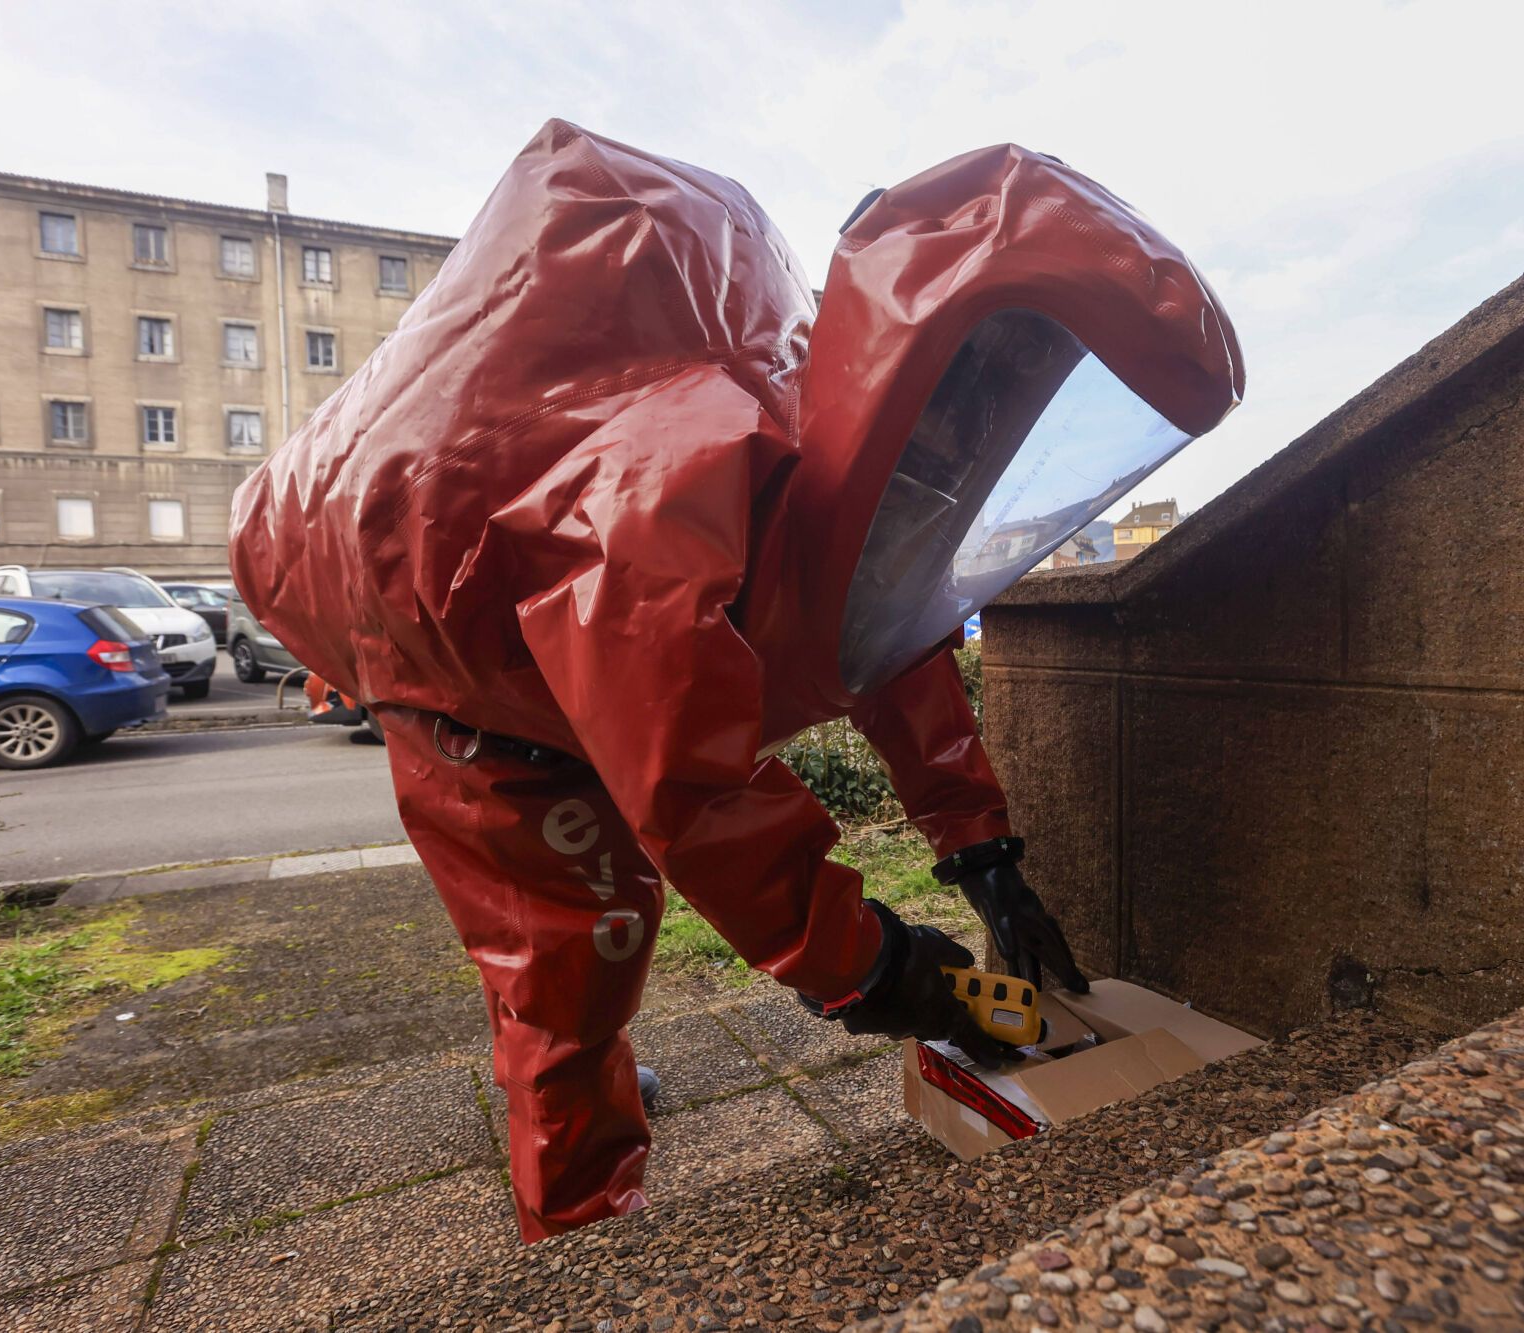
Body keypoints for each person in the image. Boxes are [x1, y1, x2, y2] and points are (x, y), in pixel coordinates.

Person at [230, 120, 1243, 1241]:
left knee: (586, 939)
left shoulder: (829, 447)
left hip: (555, 620)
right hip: (462, 671)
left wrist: (980, 852)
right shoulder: (667, 481)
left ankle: (578, 1102)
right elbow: (694, 787)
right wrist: (878, 968)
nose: (975, 433)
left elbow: (877, 623)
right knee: (574, 947)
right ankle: (584, 1238)